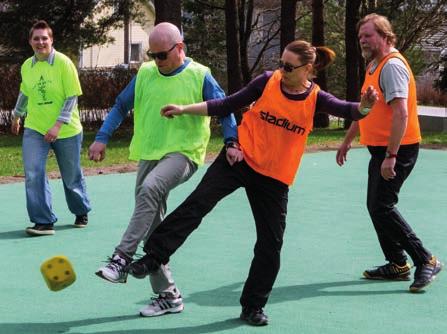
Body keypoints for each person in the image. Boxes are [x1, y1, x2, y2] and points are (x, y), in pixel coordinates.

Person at [125, 40, 378, 326]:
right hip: (240, 160)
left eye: (288, 66)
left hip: (274, 177)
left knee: (271, 244)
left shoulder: (316, 98)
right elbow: (226, 103)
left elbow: (349, 110)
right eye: (280, 63)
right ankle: (153, 257)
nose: (281, 70)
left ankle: (252, 306)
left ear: (307, 69)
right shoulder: (267, 82)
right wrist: (184, 109)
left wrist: (366, 107)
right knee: (198, 203)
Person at [89, 22, 238, 317]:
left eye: (161, 55)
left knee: (150, 189)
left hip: (184, 153)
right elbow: (120, 106)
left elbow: (224, 107)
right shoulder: (145, 73)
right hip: (149, 153)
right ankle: (168, 295)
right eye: (151, 55)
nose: (156, 61)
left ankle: (121, 258)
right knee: (152, 226)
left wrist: (232, 140)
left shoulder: (200, 74)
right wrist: (101, 137)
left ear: (179, 48)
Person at [336, 13, 442, 292]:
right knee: (376, 206)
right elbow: (365, 108)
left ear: (384, 35)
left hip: (399, 149)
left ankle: (426, 260)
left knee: (382, 206)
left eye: (368, 35)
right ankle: (397, 263)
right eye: (360, 37)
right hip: (380, 149)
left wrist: (391, 156)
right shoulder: (374, 64)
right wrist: (348, 139)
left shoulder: (392, 66)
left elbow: (401, 114)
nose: (363, 40)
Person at [11, 20, 91, 236]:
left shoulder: (64, 63)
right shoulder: (27, 66)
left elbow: (71, 97)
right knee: (33, 172)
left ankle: (81, 210)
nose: (40, 42)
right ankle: (43, 221)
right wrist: (17, 115)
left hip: (66, 130)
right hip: (35, 128)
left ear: (51, 40)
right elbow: (25, 92)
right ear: (30, 41)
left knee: (71, 175)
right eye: (36, 38)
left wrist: (57, 126)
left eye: (44, 38)